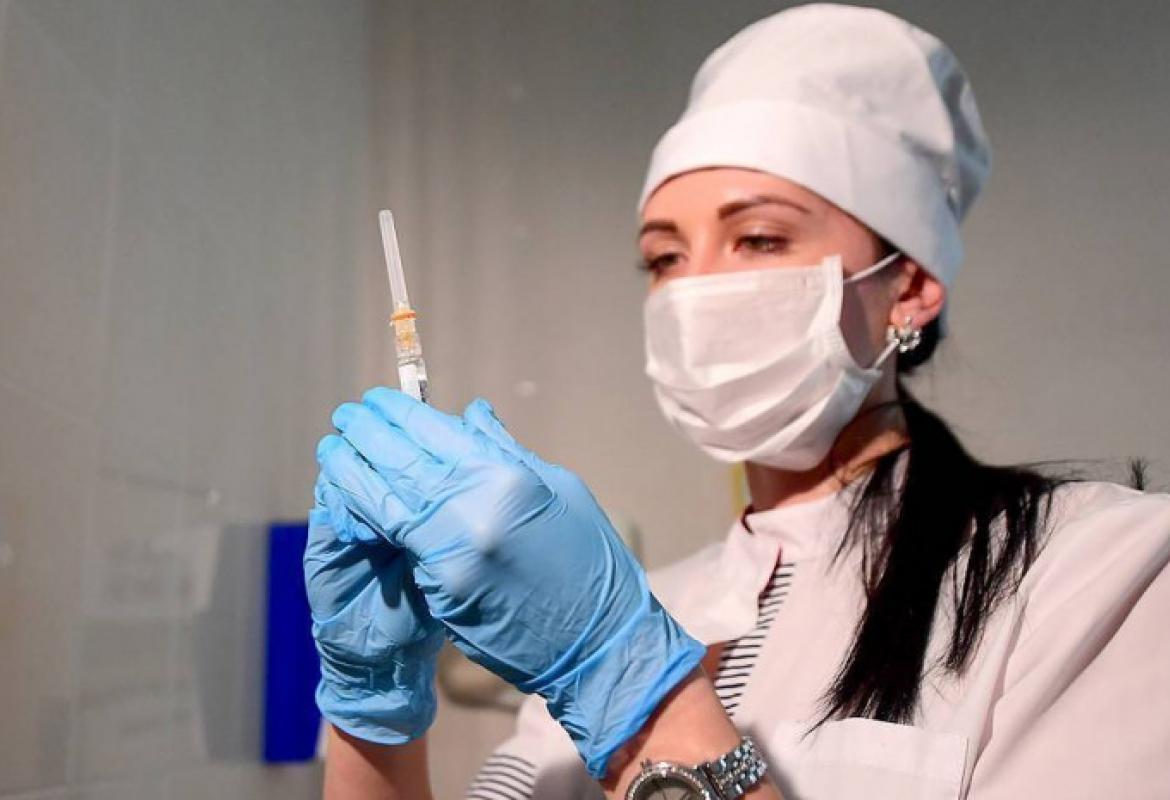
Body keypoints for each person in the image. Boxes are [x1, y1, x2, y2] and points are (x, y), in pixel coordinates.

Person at [306, 5, 1170, 799]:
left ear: (907, 286)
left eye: (758, 238)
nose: (695, 291)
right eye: (665, 258)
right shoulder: (640, 607)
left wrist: (625, 687)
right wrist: (372, 714)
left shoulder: (1098, 574)